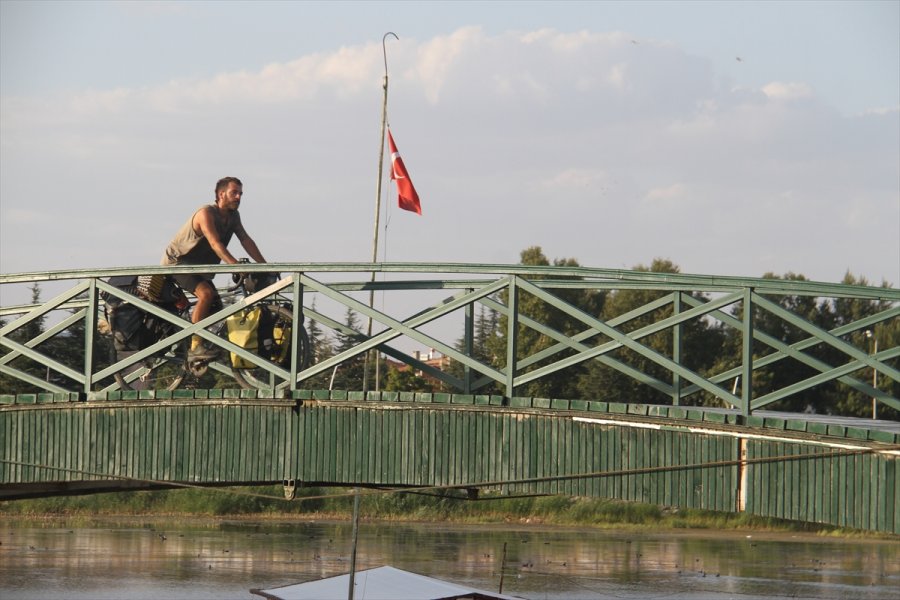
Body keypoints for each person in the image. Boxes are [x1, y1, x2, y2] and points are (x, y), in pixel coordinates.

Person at [161, 176, 266, 359]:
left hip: (198, 268)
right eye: (234, 192)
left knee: (216, 307)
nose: (238, 197)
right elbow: (215, 243)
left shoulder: (233, 217)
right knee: (206, 295)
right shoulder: (206, 213)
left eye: (241, 193)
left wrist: (264, 266)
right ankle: (195, 347)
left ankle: (188, 342)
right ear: (220, 194)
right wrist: (235, 266)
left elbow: (245, 239)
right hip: (178, 263)